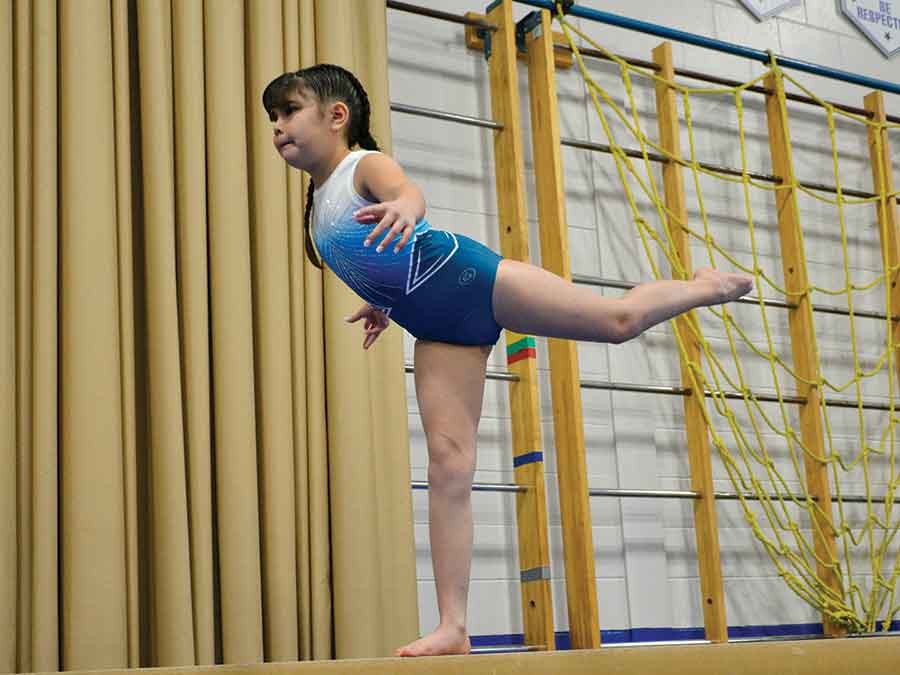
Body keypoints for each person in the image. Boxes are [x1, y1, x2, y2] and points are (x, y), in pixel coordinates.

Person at [262, 63, 753, 658]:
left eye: (289, 111)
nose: (279, 126)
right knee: (448, 466)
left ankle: (706, 285)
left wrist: (406, 210)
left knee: (615, 323)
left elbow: (407, 195)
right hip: (436, 326)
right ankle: (454, 627)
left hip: (471, 279)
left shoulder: (362, 165)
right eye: (274, 118)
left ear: (336, 116)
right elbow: (375, 255)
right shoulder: (316, 202)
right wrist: (382, 300)